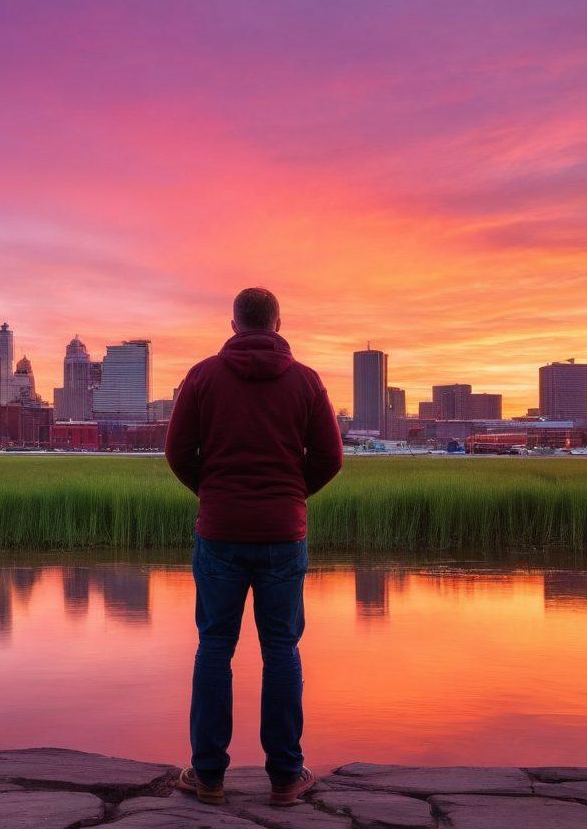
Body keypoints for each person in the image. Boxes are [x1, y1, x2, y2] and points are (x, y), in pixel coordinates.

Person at [165, 287, 343, 807]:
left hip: (219, 532)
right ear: (278, 323)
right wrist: (288, 496)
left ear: (235, 323)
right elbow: (330, 458)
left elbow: (177, 452)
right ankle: (286, 778)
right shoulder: (306, 381)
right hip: (283, 536)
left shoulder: (202, 376)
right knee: (281, 650)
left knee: (215, 647)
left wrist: (216, 495)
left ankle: (209, 777)